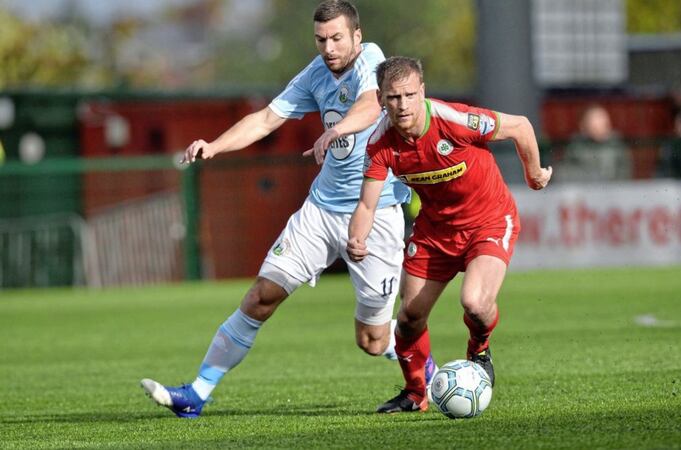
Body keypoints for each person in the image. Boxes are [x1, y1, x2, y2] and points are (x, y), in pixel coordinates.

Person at [140, 1, 436, 419]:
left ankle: (431, 375)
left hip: (375, 214)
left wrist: (336, 129)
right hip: (319, 210)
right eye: (320, 40)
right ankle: (196, 393)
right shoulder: (315, 74)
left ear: (356, 34)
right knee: (262, 295)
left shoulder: (373, 60)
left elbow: (372, 105)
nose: (329, 48)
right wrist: (215, 145)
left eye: (336, 38)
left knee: (372, 339)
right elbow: (265, 119)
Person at [347, 56, 552, 413]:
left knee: (474, 302)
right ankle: (415, 393)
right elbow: (366, 205)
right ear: (381, 98)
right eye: (393, 97)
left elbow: (520, 126)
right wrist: (357, 238)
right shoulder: (380, 143)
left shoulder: (453, 120)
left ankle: (479, 349)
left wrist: (533, 174)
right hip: (434, 232)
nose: (403, 104)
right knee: (409, 318)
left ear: (422, 91)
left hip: (488, 220)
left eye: (410, 94)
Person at [558, 104, 631, 182]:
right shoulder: (576, 148)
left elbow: (624, 176)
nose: (599, 124)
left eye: (602, 120)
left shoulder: (617, 147)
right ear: (583, 126)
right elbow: (565, 174)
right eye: (594, 120)